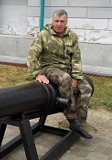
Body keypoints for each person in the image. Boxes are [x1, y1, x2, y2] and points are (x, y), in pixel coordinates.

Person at [27, 9, 93, 139]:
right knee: (65, 78)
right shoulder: (43, 36)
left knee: (86, 88)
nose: (58, 24)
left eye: (62, 21)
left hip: (67, 69)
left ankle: (80, 123)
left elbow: (76, 58)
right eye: (56, 21)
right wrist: (36, 74)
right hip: (50, 68)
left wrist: (76, 77)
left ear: (66, 22)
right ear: (52, 21)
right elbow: (32, 55)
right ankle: (72, 118)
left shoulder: (72, 36)